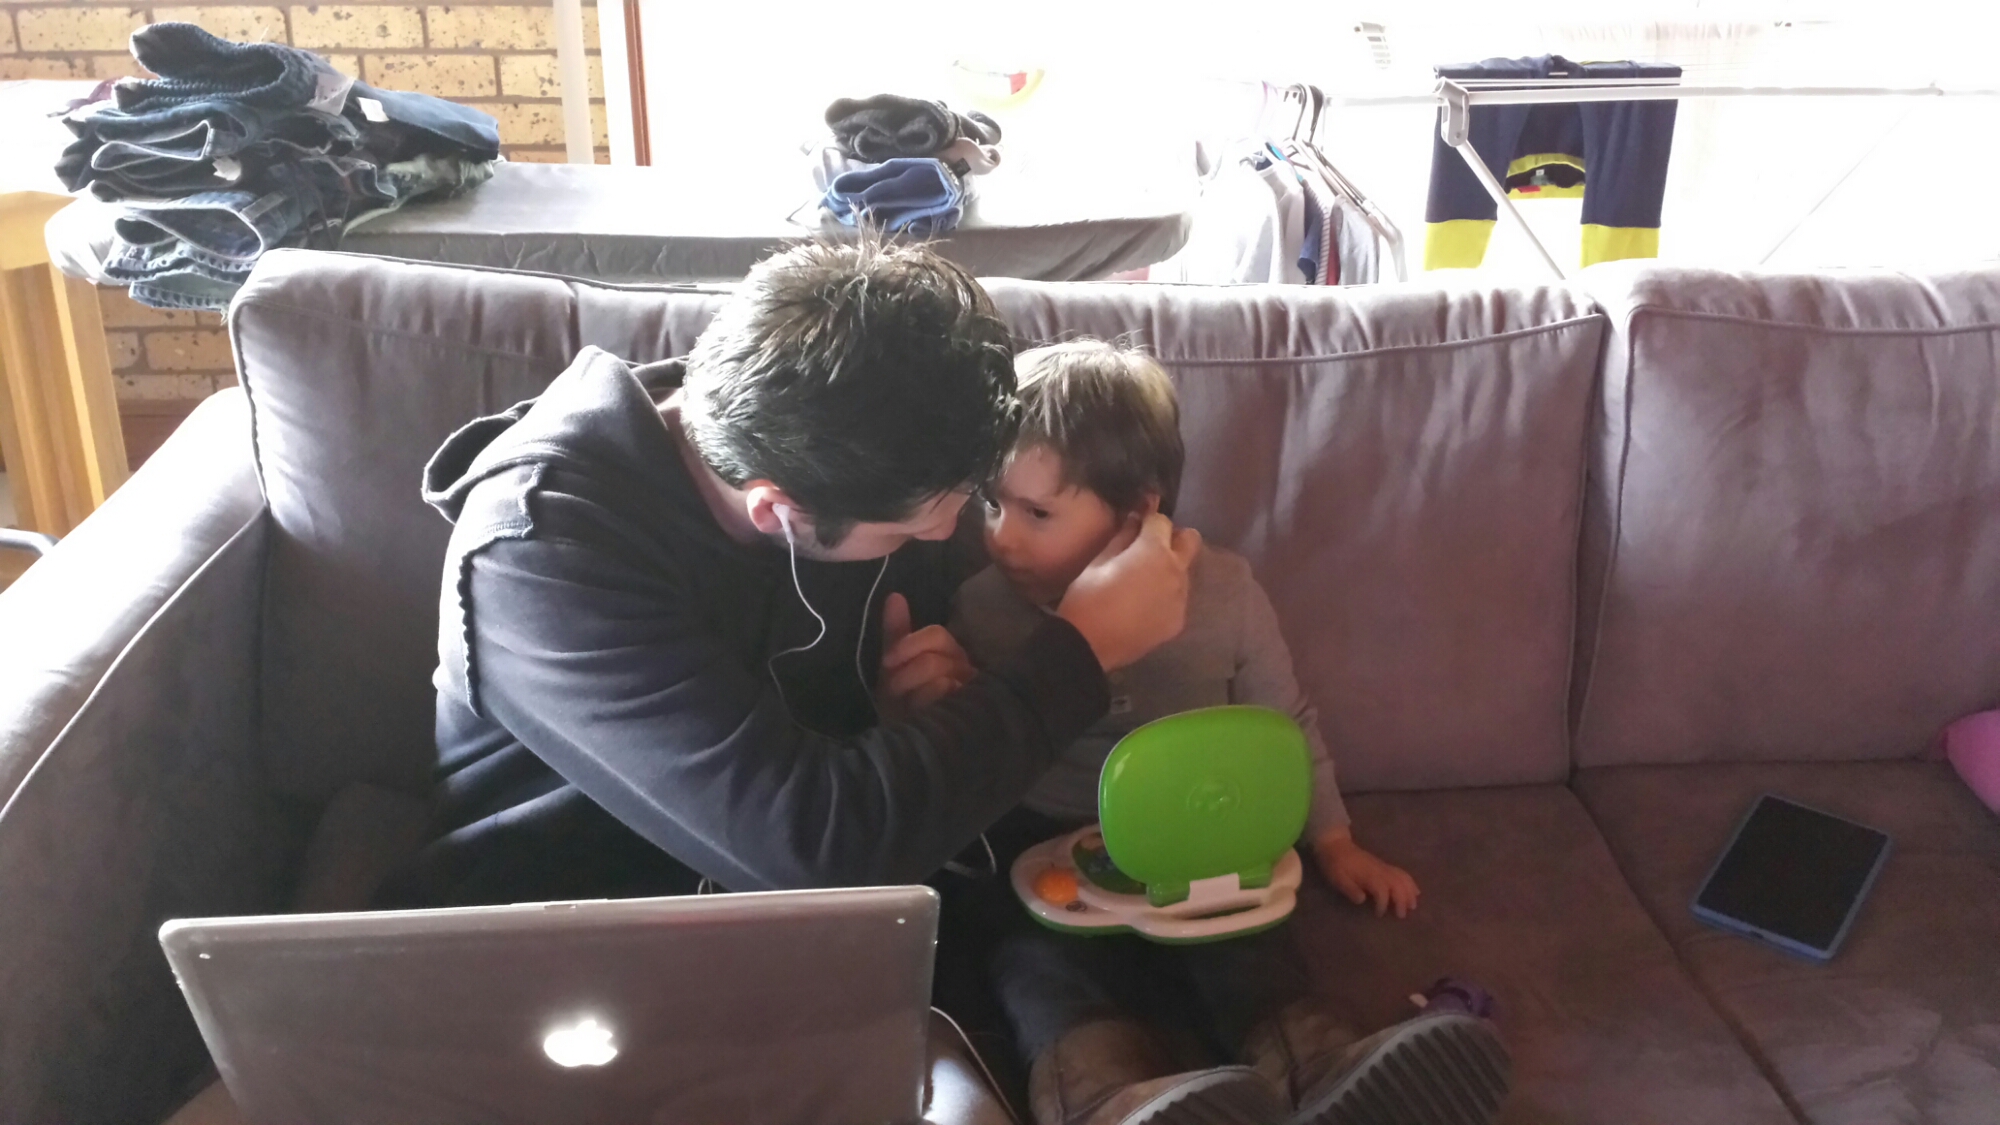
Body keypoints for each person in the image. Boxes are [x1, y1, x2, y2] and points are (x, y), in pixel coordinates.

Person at [380, 240, 1199, 911]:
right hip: (570, 926)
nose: (952, 536)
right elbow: (820, 850)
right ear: (776, 511)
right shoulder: (537, 557)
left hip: (802, 936)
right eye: (915, 525)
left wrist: (907, 716)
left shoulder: (856, 422)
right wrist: (1083, 647)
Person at [948, 340, 1508, 1125]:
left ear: (1135, 513)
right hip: (1045, 846)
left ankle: (1325, 1074)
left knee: (1252, 955)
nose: (1001, 536)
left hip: (1198, 838)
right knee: (1043, 971)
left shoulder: (1226, 596)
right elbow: (965, 745)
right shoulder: (981, 608)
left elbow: (1283, 722)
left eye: (1036, 513)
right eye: (992, 504)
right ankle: (1110, 1101)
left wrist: (1335, 840)